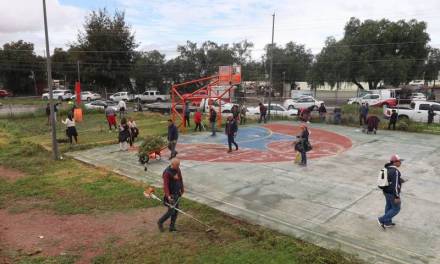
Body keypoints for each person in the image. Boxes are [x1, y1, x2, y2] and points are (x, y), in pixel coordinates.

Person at [378, 154, 405, 229]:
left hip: (386, 191)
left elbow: (388, 180)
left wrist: (400, 180)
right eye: (400, 161)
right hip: (392, 193)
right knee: (396, 208)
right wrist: (396, 196)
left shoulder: (386, 168)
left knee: (389, 206)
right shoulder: (395, 171)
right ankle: (381, 219)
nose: (400, 163)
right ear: (395, 162)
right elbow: (395, 185)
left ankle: (387, 222)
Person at [158, 158, 184, 232]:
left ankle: (172, 227)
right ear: (172, 164)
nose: (178, 166)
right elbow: (165, 185)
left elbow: (180, 179)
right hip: (171, 195)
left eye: (179, 165)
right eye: (177, 165)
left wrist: (182, 189)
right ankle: (160, 222)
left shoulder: (178, 169)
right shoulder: (167, 173)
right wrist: (168, 195)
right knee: (171, 211)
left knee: (175, 211)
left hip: (177, 194)